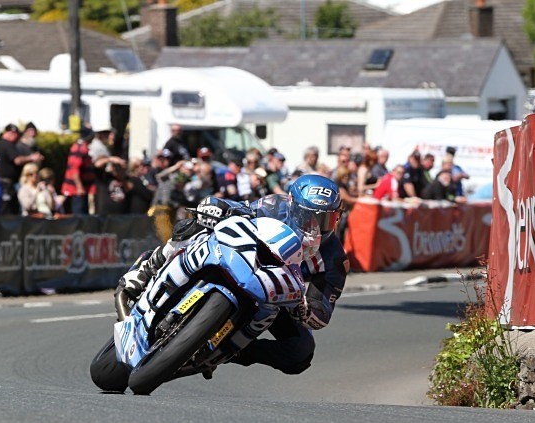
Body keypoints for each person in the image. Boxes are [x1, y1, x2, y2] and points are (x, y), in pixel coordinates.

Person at [114, 174, 347, 380]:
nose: (316, 228)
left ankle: (230, 350)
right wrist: (217, 207)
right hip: (244, 256)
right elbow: (241, 208)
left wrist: (306, 311)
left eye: (326, 220)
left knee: (301, 352)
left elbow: (322, 311)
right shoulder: (275, 206)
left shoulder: (334, 258)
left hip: (277, 293)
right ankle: (149, 266)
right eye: (308, 217)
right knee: (192, 225)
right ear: (292, 206)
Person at [0, 124, 43, 214]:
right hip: (6, 183)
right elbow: (17, 160)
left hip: (4, 182)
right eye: (15, 134)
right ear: (9, 133)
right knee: (8, 210)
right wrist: (31, 157)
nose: (16, 137)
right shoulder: (7, 144)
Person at [61, 126, 97, 215]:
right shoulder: (79, 148)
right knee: (79, 215)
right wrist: (79, 187)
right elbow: (74, 169)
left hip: (83, 188)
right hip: (76, 190)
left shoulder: (84, 147)